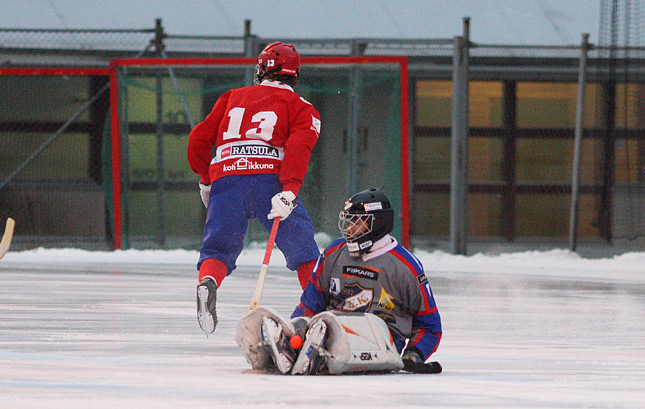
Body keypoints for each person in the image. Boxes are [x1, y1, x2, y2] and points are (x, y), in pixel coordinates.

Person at [187, 42, 322, 337]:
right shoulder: (303, 108)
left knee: (218, 249)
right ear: (294, 74)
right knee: (304, 250)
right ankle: (321, 304)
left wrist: (206, 178)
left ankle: (208, 281)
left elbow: (198, 139)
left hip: (227, 181)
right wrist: (290, 189)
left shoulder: (231, 97)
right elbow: (299, 147)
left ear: (262, 69)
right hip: (269, 182)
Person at [235, 188, 442, 375]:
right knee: (311, 325)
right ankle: (291, 347)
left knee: (332, 331)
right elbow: (310, 303)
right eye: (348, 222)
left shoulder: (405, 266)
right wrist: (297, 327)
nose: (350, 230)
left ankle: (307, 351)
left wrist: (414, 353)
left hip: (379, 338)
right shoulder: (334, 252)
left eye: (357, 223)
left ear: (378, 223)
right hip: (330, 325)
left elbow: (430, 325)